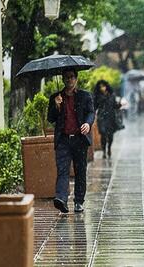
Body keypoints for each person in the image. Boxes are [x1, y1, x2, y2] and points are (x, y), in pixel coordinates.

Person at [47, 69, 95, 214]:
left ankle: (79, 201)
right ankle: (61, 199)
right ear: (62, 79)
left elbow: (91, 112)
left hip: (80, 139)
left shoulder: (85, 96)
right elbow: (50, 118)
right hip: (63, 140)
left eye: (72, 77)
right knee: (62, 170)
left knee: (80, 171)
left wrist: (88, 123)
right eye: (66, 78)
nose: (69, 80)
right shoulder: (56, 97)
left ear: (76, 79)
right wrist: (56, 106)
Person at [93, 80, 122, 159]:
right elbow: (94, 107)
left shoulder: (112, 95)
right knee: (103, 134)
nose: (102, 88)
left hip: (111, 117)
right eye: (100, 87)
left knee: (110, 136)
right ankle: (104, 151)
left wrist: (120, 104)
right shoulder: (97, 96)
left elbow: (115, 106)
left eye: (103, 86)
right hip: (102, 118)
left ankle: (109, 148)